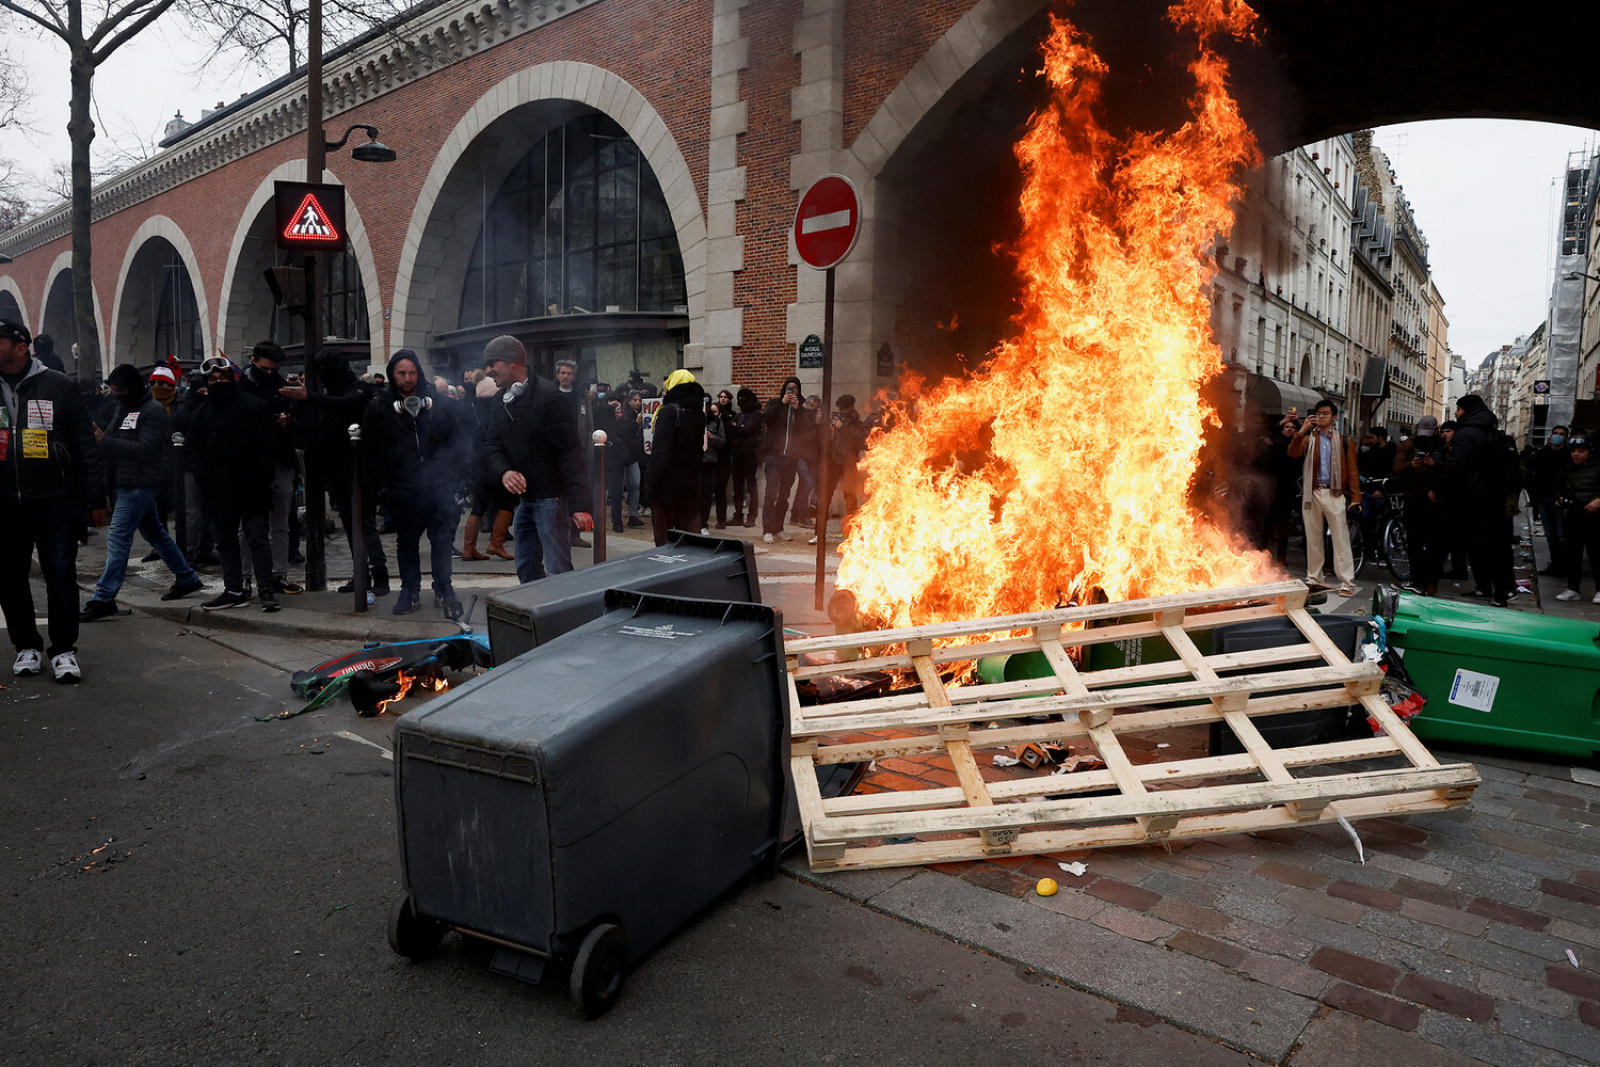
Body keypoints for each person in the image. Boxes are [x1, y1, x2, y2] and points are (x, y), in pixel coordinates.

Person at [0, 319, 106, 682]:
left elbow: (83, 444)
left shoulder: (59, 385)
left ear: (20, 345)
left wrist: (94, 497)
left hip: (55, 499)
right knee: (10, 578)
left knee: (60, 574)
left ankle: (63, 649)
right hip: (4, 503)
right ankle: (26, 646)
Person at [279, 349, 391, 596]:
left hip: (358, 471)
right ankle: (361, 574)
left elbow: (345, 405)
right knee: (352, 526)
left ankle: (379, 575)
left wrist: (310, 397)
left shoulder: (359, 390)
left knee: (364, 524)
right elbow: (316, 427)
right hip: (336, 472)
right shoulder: (325, 396)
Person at [482, 335, 594, 582]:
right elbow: (492, 445)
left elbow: (570, 452)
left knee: (558, 574)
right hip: (526, 501)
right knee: (527, 569)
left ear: (513, 362)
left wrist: (580, 506)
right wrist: (505, 472)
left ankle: (565, 618)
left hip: (552, 501)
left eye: (492, 363)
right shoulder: (502, 400)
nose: (487, 370)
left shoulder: (549, 396)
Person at [362, 350, 465, 617]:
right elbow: (371, 451)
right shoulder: (379, 407)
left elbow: (455, 441)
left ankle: (444, 588)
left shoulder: (439, 404)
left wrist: (454, 477)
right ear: (392, 375)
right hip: (402, 488)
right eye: (401, 373)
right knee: (406, 542)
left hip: (438, 485)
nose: (408, 379)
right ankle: (410, 591)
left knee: (441, 541)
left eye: (412, 373)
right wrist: (381, 487)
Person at [186, 357, 279, 612]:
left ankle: (266, 591)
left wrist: (262, 477)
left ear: (232, 378)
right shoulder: (202, 413)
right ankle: (234, 590)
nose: (218, 382)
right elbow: (193, 449)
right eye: (213, 379)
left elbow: (267, 446)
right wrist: (203, 479)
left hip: (251, 485)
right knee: (225, 541)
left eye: (223, 378)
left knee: (257, 538)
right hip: (218, 487)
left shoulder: (253, 406)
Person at [1431, 394, 1513, 606]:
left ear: (1467, 410)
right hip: (1493, 496)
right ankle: (1499, 592)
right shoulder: (1492, 432)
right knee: (1491, 547)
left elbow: (1457, 466)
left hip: (1470, 497)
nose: (1456, 413)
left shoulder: (1465, 434)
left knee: (1451, 541)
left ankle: (1425, 583)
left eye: (1458, 409)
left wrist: (1438, 487)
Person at [237, 341, 301, 596]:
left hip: (280, 459)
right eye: (266, 368)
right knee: (249, 525)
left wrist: (288, 421)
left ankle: (279, 575)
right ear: (253, 361)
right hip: (251, 463)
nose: (270, 373)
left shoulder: (280, 385)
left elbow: (299, 418)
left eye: (274, 369)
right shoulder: (240, 387)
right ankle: (245, 577)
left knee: (281, 522)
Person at [1286, 399, 1360, 597]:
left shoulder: (1345, 441)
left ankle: (1346, 582)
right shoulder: (1308, 438)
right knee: (1313, 538)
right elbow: (1292, 454)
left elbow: (1352, 470)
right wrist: (1301, 431)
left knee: (1341, 539)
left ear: (1334, 417)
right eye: (1317, 414)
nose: (1320, 417)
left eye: (1325, 413)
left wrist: (1356, 498)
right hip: (1312, 493)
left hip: (1335, 493)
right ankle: (1315, 578)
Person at [641, 369, 708, 545]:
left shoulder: (669, 411)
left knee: (665, 543)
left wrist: (649, 485)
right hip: (691, 487)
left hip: (667, 488)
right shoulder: (699, 413)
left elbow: (660, 454)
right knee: (689, 543)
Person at [459, 372, 516, 562]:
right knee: (508, 500)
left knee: (479, 505)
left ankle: (469, 549)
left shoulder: (471, 407)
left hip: (477, 462)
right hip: (496, 460)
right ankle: (496, 543)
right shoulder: (497, 409)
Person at [1392, 415, 1445, 595]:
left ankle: (1427, 582)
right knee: (1415, 542)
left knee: (1432, 544)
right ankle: (1419, 580)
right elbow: (1396, 469)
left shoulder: (1443, 446)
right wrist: (1411, 465)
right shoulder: (1408, 446)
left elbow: (1453, 468)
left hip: (1434, 499)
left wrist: (1435, 464)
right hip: (1414, 498)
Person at [761, 376, 815, 543]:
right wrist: (782, 403)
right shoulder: (775, 403)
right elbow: (766, 420)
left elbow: (808, 428)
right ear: (784, 389)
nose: (792, 392)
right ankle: (767, 529)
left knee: (784, 495)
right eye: (789, 388)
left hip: (791, 458)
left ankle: (779, 528)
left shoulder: (803, 407)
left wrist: (798, 410)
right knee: (771, 493)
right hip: (774, 456)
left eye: (795, 389)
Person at [1554, 435, 1600, 603]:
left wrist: (1598, 500)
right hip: (1573, 515)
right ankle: (1573, 588)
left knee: (1595, 554)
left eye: (1581, 451)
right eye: (1573, 451)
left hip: (1594, 517)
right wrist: (1559, 498)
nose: (1576, 454)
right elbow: (1557, 488)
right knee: (1573, 555)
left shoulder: (1597, 468)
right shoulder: (1567, 469)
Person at [554, 359, 593, 549]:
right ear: (557, 374)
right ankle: (558, 532)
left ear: (574, 376)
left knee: (576, 491)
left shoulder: (582, 397)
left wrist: (589, 448)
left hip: (578, 450)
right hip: (556, 450)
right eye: (562, 373)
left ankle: (574, 534)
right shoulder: (551, 394)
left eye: (569, 373)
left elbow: (590, 425)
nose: (565, 376)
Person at [1527, 425, 1569, 578]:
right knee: (1550, 535)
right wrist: (1548, 447)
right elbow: (1530, 462)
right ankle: (1555, 564)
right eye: (1555, 433)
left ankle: (1564, 566)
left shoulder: (1568, 454)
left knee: (1561, 534)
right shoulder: (1544, 453)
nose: (1558, 436)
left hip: (1560, 499)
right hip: (1544, 497)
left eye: (1561, 434)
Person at [826, 394, 870, 540]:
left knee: (850, 498)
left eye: (844, 409)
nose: (842, 412)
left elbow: (861, 441)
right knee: (825, 496)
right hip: (833, 462)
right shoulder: (835, 419)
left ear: (851, 408)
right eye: (840, 409)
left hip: (849, 463)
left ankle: (851, 532)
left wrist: (843, 428)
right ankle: (818, 532)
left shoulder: (856, 423)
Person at [728, 387, 763, 527]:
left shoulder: (756, 415)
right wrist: (738, 428)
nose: (740, 402)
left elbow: (746, 429)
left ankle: (752, 516)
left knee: (751, 486)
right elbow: (733, 430)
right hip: (738, 454)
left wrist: (738, 428)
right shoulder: (740, 415)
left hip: (750, 454)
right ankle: (738, 515)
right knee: (737, 486)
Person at [699, 393, 727, 533]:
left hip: (710, 461)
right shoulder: (693, 419)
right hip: (695, 462)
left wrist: (712, 437)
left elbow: (723, 441)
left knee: (707, 494)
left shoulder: (716, 422)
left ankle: (703, 523)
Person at [711, 389, 735, 528]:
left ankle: (721, 519)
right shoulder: (708, 422)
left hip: (723, 460)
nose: (723, 399)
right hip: (711, 460)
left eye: (725, 397)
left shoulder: (727, 421)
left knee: (720, 491)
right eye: (721, 397)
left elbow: (728, 441)